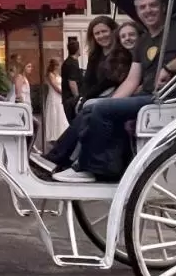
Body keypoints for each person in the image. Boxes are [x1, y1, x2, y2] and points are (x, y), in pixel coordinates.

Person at [51, 0, 176, 183]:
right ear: (137, 12)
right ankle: (57, 159)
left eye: (152, 5)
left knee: (99, 108)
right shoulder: (143, 41)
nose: (148, 10)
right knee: (91, 107)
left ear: (162, 8)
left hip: (169, 99)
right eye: (142, 7)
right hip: (148, 98)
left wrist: (169, 68)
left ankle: (93, 169)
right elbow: (132, 80)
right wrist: (110, 102)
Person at [42, 18, 132, 172]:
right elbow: (88, 81)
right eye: (97, 33)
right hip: (96, 95)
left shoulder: (121, 52)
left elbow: (112, 80)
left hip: (114, 95)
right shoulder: (95, 55)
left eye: (104, 31)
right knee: (80, 110)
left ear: (113, 31)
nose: (101, 36)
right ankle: (65, 160)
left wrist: (87, 98)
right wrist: (83, 97)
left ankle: (58, 157)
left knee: (87, 112)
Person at [42, 59, 69, 152]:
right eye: (57, 65)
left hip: (60, 98)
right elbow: (55, 86)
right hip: (54, 97)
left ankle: (61, 136)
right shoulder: (51, 75)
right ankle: (54, 137)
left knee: (61, 116)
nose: (58, 67)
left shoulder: (58, 75)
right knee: (55, 116)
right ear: (54, 66)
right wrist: (64, 93)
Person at [60, 40, 81, 122]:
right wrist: (78, 99)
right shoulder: (72, 63)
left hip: (68, 99)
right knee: (76, 124)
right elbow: (72, 82)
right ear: (77, 49)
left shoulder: (69, 62)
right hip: (71, 100)